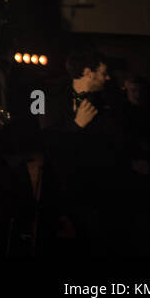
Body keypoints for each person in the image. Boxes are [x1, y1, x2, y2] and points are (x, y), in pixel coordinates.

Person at [38, 49, 125, 254]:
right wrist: (77, 126)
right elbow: (48, 143)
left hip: (101, 188)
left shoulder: (108, 100)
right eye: (103, 72)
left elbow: (116, 141)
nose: (107, 77)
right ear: (87, 72)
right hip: (67, 188)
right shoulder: (52, 98)